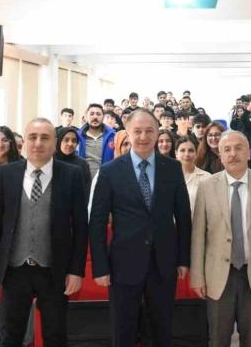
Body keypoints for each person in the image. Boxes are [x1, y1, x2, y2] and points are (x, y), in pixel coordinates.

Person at [89, 109, 192, 347]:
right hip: (123, 265)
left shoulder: (172, 168)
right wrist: (100, 267)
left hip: (163, 264)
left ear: (157, 133)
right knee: (123, 330)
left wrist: (183, 259)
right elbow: (97, 222)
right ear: (128, 133)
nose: (143, 137)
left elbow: (183, 217)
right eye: (137, 131)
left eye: (149, 131)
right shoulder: (110, 171)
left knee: (161, 329)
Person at [0, 118, 88, 347]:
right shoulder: (7, 174)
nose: (38, 143)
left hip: (54, 271)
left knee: (55, 335)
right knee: (10, 335)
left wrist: (76, 271)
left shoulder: (72, 175)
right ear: (24, 142)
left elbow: (81, 227)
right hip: (14, 271)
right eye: (32, 137)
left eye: (44, 138)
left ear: (55, 142)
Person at [191, 131, 251, 347]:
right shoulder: (207, 186)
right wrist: (197, 276)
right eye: (227, 149)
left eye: (238, 148)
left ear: (249, 153)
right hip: (217, 275)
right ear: (220, 155)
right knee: (218, 338)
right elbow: (198, 236)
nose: (233, 154)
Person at [76, 103, 116, 179]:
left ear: (103, 117)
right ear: (86, 117)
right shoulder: (77, 137)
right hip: (82, 181)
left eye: (98, 114)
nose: (95, 117)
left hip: (106, 180)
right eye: (91, 114)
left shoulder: (113, 136)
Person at [175, 135, 210, 217]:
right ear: (176, 153)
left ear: (196, 153)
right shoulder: (167, 177)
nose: (187, 154)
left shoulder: (206, 177)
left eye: (191, 150)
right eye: (182, 150)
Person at [55, 126, 92, 198]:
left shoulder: (82, 164)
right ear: (58, 141)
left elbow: (86, 192)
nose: (70, 144)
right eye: (66, 140)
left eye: (74, 141)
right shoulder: (50, 161)